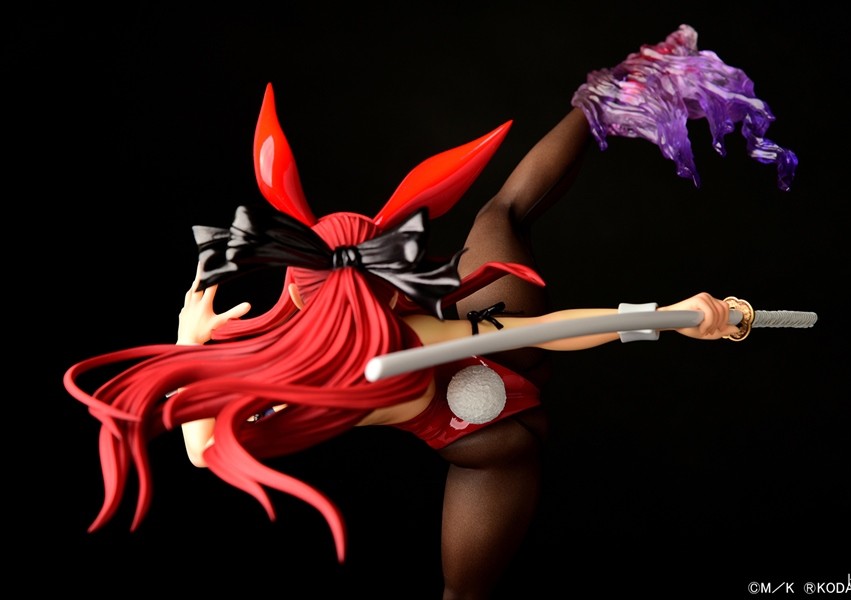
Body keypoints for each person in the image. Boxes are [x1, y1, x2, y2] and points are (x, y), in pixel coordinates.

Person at [64, 25, 794, 599]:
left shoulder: (311, 375)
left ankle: (620, 92)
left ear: (301, 290)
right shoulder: (396, 340)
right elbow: (549, 330)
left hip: (486, 418)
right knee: (503, 211)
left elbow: (200, 450)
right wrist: (671, 315)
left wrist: (191, 341)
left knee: (460, 594)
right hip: (489, 419)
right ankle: (619, 88)